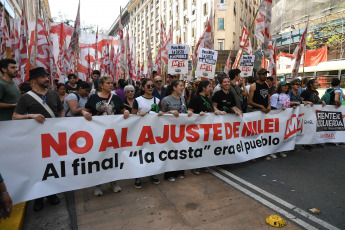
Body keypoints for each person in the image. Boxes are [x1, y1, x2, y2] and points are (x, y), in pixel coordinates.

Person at [12, 67, 64, 211]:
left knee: (52, 167)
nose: (47, 79)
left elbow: (61, 109)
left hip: (53, 138)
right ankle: (38, 198)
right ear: (33, 80)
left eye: (47, 76)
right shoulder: (26, 97)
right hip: (36, 140)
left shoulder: (53, 94)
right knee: (38, 168)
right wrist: (30, 116)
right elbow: (15, 116)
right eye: (42, 77)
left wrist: (63, 122)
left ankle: (52, 194)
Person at [82, 75, 130, 196]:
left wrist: (126, 112)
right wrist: (84, 113)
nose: (111, 85)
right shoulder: (93, 98)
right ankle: (98, 184)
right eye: (108, 83)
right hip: (97, 133)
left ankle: (113, 182)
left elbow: (122, 110)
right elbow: (86, 110)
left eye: (112, 83)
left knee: (113, 158)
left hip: (113, 134)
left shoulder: (116, 98)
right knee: (98, 158)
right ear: (101, 85)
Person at [159, 80, 193, 181]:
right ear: (174, 87)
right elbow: (160, 114)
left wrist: (189, 113)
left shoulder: (182, 98)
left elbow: (184, 111)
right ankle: (169, 174)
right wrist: (170, 112)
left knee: (181, 150)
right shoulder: (166, 100)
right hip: (169, 131)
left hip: (181, 130)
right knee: (171, 152)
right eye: (181, 86)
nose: (183, 88)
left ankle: (180, 171)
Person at [131, 78, 161, 188]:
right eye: (148, 86)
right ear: (143, 87)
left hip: (153, 131)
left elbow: (159, 114)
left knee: (152, 152)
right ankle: (138, 176)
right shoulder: (138, 100)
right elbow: (132, 116)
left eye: (152, 86)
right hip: (140, 131)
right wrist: (139, 114)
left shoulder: (157, 100)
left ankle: (152, 173)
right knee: (140, 153)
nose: (151, 88)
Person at [188, 80, 214, 175]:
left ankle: (202, 164)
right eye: (209, 86)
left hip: (206, 128)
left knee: (204, 146)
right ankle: (194, 166)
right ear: (204, 88)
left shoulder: (207, 99)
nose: (211, 88)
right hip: (197, 128)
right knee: (196, 147)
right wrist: (198, 115)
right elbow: (190, 112)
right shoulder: (196, 98)